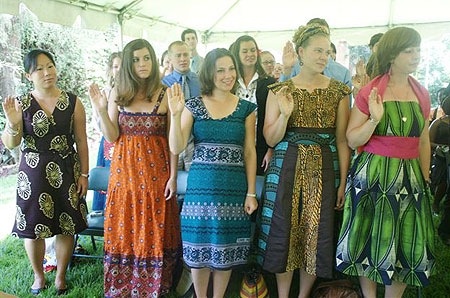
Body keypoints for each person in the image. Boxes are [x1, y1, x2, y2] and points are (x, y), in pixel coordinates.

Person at [336, 27, 436, 298]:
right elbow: (352, 138)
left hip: (410, 178)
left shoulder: (422, 93)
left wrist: (424, 177)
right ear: (393, 54)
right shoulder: (370, 91)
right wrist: (373, 120)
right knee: (368, 239)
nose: (416, 56)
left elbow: (423, 140)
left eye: (418, 50)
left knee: (406, 244)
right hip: (373, 176)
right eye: (409, 51)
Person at [256, 25, 351, 298]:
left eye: (327, 52)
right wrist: (285, 116)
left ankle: (303, 294)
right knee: (283, 229)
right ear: (301, 52)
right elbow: (270, 138)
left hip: (325, 165)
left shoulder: (339, 91)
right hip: (286, 164)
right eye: (317, 51)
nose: (324, 57)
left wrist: (343, 182)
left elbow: (343, 140)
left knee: (315, 231)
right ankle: (284, 294)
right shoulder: (280, 89)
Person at [89, 39, 181, 297]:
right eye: (136, 59)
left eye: (147, 58)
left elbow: (173, 142)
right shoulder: (118, 92)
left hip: (156, 175)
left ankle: (154, 286)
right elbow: (111, 136)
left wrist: (173, 177)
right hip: (124, 176)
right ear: (128, 64)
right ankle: (123, 286)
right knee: (124, 231)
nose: (142, 64)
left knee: (154, 229)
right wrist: (100, 110)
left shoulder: (165, 93)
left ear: (154, 60)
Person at [168, 48, 258, 298]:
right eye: (221, 70)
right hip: (201, 192)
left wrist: (251, 192)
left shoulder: (247, 109)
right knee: (199, 252)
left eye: (231, 69)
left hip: (234, 189)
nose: (228, 75)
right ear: (210, 73)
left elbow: (250, 151)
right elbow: (176, 146)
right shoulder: (193, 106)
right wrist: (175, 116)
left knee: (225, 250)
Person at [2, 49, 89, 295]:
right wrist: (13, 122)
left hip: (66, 168)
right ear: (28, 75)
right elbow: (11, 143)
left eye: (49, 66)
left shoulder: (73, 101)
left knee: (66, 225)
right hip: (33, 172)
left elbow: (81, 140)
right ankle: (39, 276)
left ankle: (60, 276)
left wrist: (84, 174)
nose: (47, 72)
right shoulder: (21, 103)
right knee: (33, 227)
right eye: (39, 68)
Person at [231, 35, 276, 175]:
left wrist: (270, 149)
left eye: (253, 50)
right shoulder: (230, 81)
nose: (250, 54)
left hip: (260, 147)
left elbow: (272, 119)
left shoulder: (269, 82)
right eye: (244, 51)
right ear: (237, 54)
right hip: (233, 146)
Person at [280, 18, 352, 90]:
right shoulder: (293, 67)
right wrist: (287, 69)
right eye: (315, 34)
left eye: (324, 34)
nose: (320, 37)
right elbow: (280, 95)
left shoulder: (343, 73)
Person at [162, 41, 201, 172]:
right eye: (178, 55)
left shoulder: (200, 82)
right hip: (172, 141)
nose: (183, 59)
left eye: (185, 54)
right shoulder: (163, 84)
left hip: (196, 143)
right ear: (170, 58)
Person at [92, 51, 121, 211]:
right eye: (116, 66)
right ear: (111, 69)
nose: (119, 70)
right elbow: (98, 123)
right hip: (109, 144)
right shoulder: (105, 91)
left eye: (122, 66)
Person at [429, 89, 450, 242]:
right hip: (441, 158)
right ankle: (436, 203)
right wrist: (439, 147)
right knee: (442, 183)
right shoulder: (438, 123)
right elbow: (427, 142)